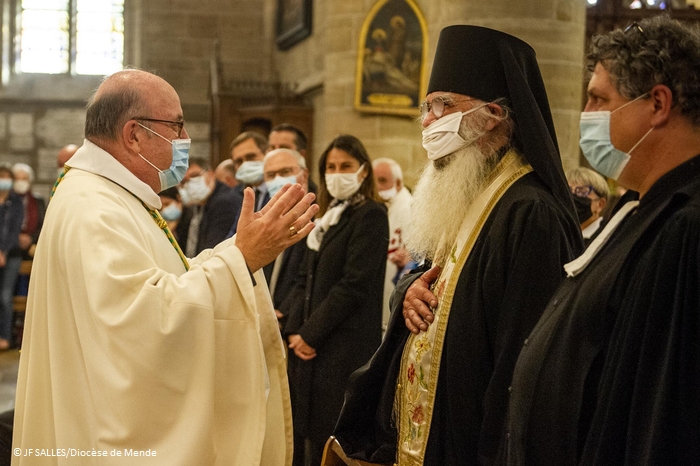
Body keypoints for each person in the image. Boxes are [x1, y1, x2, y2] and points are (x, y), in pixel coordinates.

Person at [12, 69, 319, 465]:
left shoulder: (109, 195)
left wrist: (236, 251)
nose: (185, 140)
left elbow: (165, 280)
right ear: (134, 134)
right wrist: (242, 258)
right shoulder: (95, 208)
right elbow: (142, 323)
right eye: (175, 125)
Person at [333, 25, 583, 466]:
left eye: (443, 104)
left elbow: (524, 366)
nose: (427, 120)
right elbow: (433, 279)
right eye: (426, 107)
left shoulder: (531, 214)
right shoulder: (466, 192)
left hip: (471, 441)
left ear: (493, 115)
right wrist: (406, 291)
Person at [503, 15, 700, 466]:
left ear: (658, 104)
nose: (586, 115)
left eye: (598, 99)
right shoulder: (640, 206)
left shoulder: (685, 227)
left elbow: (661, 413)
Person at [282, 135, 389, 466]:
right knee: (307, 440)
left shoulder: (371, 214)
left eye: (345, 166)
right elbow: (305, 278)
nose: (336, 172)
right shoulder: (330, 217)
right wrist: (294, 330)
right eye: (330, 167)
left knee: (333, 443)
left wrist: (309, 334)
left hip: (343, 348)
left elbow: (354, 285)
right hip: (312, 348)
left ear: (363, 171)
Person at [261, 148, 314, 328]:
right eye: (271, 175)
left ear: (304, 174)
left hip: (297, 322)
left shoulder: (319, 211)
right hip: (267, 317)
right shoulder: (267, 216)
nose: (278, 180)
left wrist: (284, 312)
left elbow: (308, 276)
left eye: (285, 172)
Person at [372, 157, 412, 327]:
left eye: (382, 181)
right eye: (373, 182)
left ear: (398, 183)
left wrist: (409, 262)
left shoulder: (411, 209)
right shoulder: (375, 209)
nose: (378, 187)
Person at [175, 156, 242, 256]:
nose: (190, 183)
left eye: (194, 176)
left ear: (210, 175)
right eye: (184, 181)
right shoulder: (197, 204)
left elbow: (214, 247)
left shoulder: (224, 201)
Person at [227, 131, 269, 237]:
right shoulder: (246, 193)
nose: (245, 164)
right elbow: (235, 235)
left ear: (267, 154)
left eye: (251, 157)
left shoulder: (278, 189)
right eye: (239, 161)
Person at [0, 165, 24, 351]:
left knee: (6, 296)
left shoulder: (16, 202)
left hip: (11, 255)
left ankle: (5, 336)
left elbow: (14, 229)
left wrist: (4, 251)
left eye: (8, 177)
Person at [566, 166, 609, 243]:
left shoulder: (607, 237)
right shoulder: (560, 235)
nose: (572, 197)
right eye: (568, 191)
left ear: (600, 204)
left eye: (582, 191)